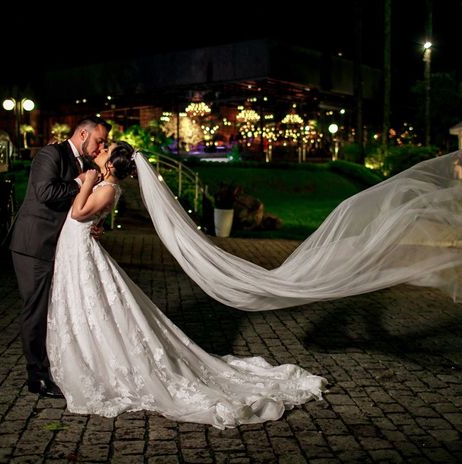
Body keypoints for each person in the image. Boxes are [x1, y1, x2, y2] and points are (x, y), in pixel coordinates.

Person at [47, 141, 326, 428]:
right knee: (89, 307)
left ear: (109, 165)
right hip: (76, 250)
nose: (102, 149)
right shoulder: (104, 185)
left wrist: (88, 182)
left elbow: (79, 213)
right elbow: (87, 213)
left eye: (106, 150)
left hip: (80, 252)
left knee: (95, 307)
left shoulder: (106, 187)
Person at [9, 115, 111, 398]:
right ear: (82, 134)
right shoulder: (50, 153)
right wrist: (80, 182)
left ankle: (59, 367)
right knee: (36, 309)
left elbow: (82, 206)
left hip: (61, 247)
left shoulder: (88, 166)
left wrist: (95, 224)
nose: (101, 146)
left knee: (56, 308)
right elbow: (45, 192)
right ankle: (37, 376)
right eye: (99, 140)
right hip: (35, 244)